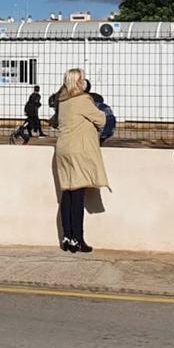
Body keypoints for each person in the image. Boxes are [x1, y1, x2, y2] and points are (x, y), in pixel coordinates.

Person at [53, 68, 107, 254]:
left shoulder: (63, 102)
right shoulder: (83, 100)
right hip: (78, 151)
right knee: (77, 196)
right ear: (77, 82)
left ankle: (66, 237)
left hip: (62, 150)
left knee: (67, 193)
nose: (84, 82)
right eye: (82, 79)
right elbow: (101, 120)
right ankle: (78, 239)